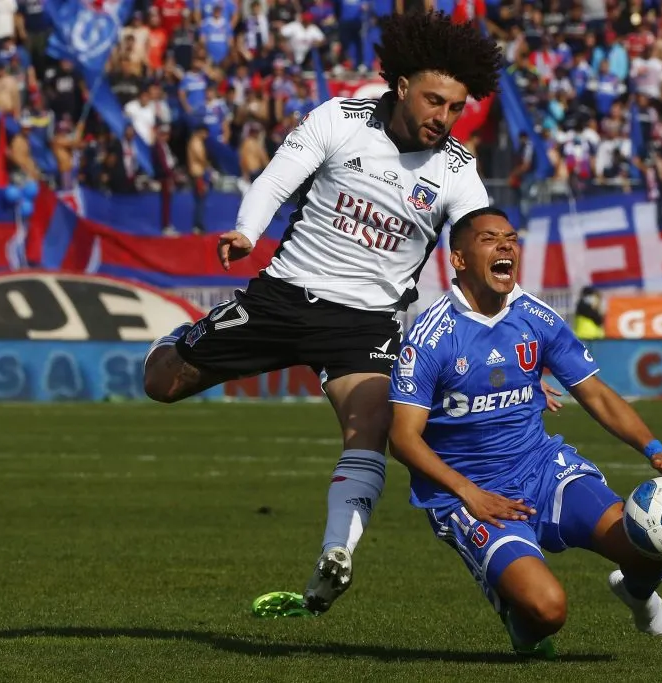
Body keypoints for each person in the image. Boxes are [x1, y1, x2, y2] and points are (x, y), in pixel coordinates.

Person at [143, 11, 522, 616]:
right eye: (433, 101)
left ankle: (334, 558)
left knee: (370, 427)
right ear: (400, 86)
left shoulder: (456, 168)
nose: (442, 119)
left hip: (365, 324)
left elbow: (481, 246)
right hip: (282, 298)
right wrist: (246, 232)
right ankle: (183, 337)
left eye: (454, 108)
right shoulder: (339, 119)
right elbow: (275, 178)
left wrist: (515, 336)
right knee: (160, 383)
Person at [387, 208, 662, 658]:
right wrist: (469, 493)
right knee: (548, 611)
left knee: (650, 541)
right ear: (458, 260)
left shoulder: (537, 317)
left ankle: (635, 591)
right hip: (471, 494)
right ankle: (519, 619)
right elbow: (403, 438)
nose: (505, 247)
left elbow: (595, 394)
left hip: (544, 468)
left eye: (511, 239)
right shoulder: (430, 337)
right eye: (490, 239)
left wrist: (655, 450)